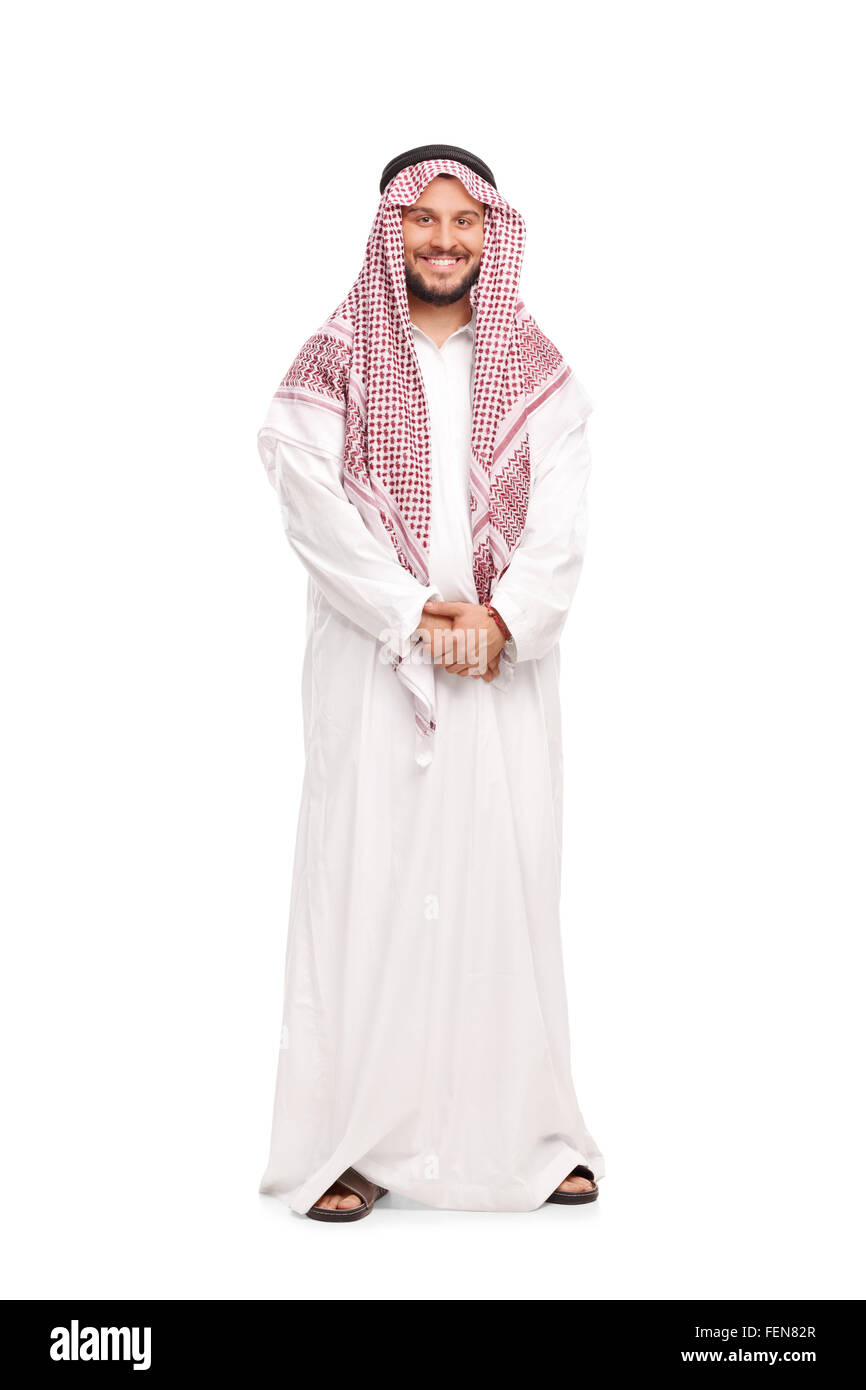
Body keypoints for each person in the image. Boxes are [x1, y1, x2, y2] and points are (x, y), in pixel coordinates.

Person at [256, 144, 605, 1221]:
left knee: (505, 889)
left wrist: (499, 620)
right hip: (373, 664)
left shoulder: (537, 364)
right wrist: (412, 614)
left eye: (465, 223)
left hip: (501, 666)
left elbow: (559, 521)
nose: (444, 240)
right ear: (389, 230)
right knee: (365, 887)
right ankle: (344, 1148)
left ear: (489, 235)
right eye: (423, 220)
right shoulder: (334, 360)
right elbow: (306, 496)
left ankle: (531, 1140)